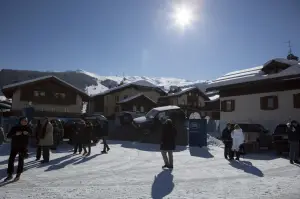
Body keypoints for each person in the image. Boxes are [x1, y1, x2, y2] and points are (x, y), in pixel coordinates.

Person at [4, 117, 32, 181]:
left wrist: (28, 133)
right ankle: (10, 174)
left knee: (21, 160)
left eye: (26, 121)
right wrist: (15, 134)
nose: (24, 122)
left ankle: (18, 174)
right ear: (20, 121)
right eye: (23, 121)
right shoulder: (15, 128)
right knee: (11, 160)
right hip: (15, 146)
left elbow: (32, 134)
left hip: (23, 147)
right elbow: (8, 136)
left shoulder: (28, 128)